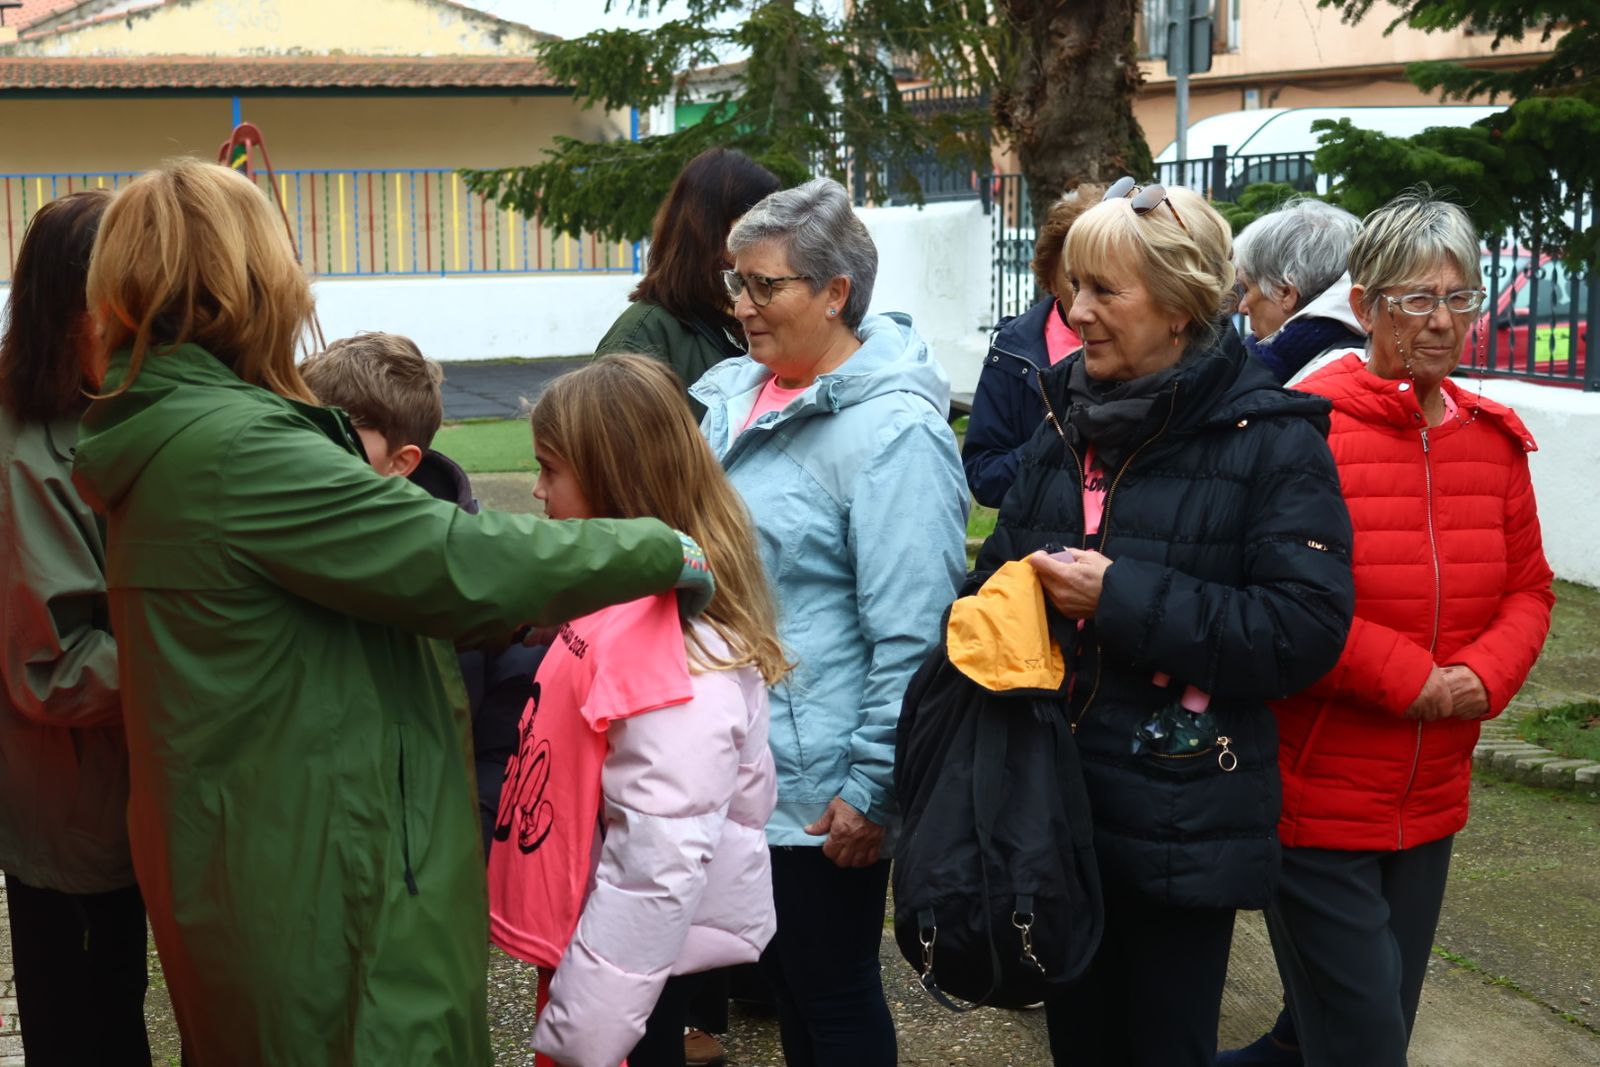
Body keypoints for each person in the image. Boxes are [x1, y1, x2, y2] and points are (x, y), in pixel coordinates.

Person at [69, 160, 717, 1067]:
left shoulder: (179, 433)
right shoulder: (237, 448)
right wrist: (662, 547)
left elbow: (335, 598)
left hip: (263, 848)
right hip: (322, 873)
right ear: (250, 284)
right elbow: (457, 558)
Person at [973, 177, 1356, 1066]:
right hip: (1055, 807)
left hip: (1179, 815)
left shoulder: (1272, 436)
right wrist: (989, 606)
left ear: (1181, 307)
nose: (1078, 311)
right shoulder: (1065, 415)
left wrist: (1120, 597)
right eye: (1074, 288)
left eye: (1106, 290)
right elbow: (999, 569)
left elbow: (1302, 627)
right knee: (1079, 1043)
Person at [1221, 191, 1554, 1067]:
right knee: (1367, 1042)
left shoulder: (1492, 441)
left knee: (1362, 1027)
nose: (1441, 321)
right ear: (1363, 305)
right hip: (1317, 794)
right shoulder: (1309, 428)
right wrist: (1413, 677)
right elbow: (1281, 595)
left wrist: (1485, 676)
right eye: (1415, 298)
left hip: (1433, 794)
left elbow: (1529, 587)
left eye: (1459, 299)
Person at [690, 177, 968, 1067]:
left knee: (831, 992)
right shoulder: (737, 396)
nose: (741, 307)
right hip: (741, 759)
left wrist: (873, 786)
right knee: (795, 993)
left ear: (836, 291)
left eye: (764, 286)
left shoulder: (894, 431)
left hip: (818, 787)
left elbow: (915, 632)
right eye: (735, 283)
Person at [487, 353, 785, 1067]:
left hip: (621, 980)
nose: (536, 490)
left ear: (615, 478)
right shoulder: (621, 615)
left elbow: (659, 857)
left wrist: (587, 1029)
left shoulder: (672, 650)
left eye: (551, 470)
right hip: (606, 954)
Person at [0, 189, 153, 1065]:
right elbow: (54, 669)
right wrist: (208, 650)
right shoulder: (28, 453)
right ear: (79, 311)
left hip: (110, 806)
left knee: (111, 1010)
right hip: (73, 819)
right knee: (86, 1032)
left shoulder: (91, 410)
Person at [300, 331, 544, 856]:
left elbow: (503, 733)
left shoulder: (474, 572)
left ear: (403, 461)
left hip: (428, 848)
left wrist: (462, 834)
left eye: (339, 442)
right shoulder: (287, 541)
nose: (308, 457)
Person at [597, 147, 783, 421]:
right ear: (708, 229)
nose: (774, 238)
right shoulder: (640, 340)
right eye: (757, 224)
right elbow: (609, 457)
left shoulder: (750, 319)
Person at [962, 183, 1102, 507]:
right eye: (1075, 281)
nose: (1088, 302)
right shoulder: (1013, 351)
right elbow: (985, 478)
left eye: (1107, 282)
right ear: (1050, 279)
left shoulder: (1154, 348)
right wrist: (1056, 440)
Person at [1233, 197, 1365, 386]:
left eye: (1246, 289)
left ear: (1287, 293)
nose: (1242, 307)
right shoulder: (1287, 361)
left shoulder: (1324, 380)